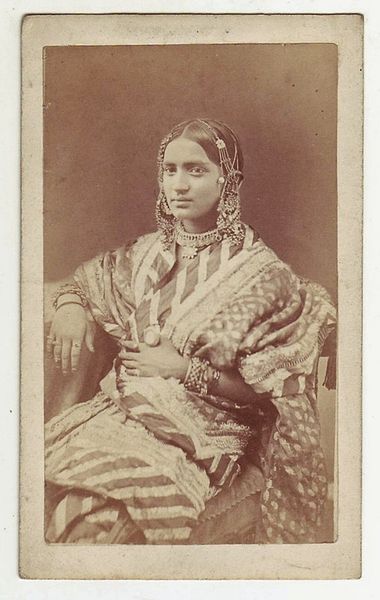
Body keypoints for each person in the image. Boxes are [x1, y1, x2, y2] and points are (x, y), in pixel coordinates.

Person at [44, 118, 336, 545]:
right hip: (121, 413)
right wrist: (70, 306)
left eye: (195, 170)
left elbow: (265, 393)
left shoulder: (263, 276)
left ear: (228, 181)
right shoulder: (145, 254)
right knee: (41, 493)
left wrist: (181, 368)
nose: (178, 184)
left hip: (203, 434)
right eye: (170, 170)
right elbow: (85, 283)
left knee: (94, 521)